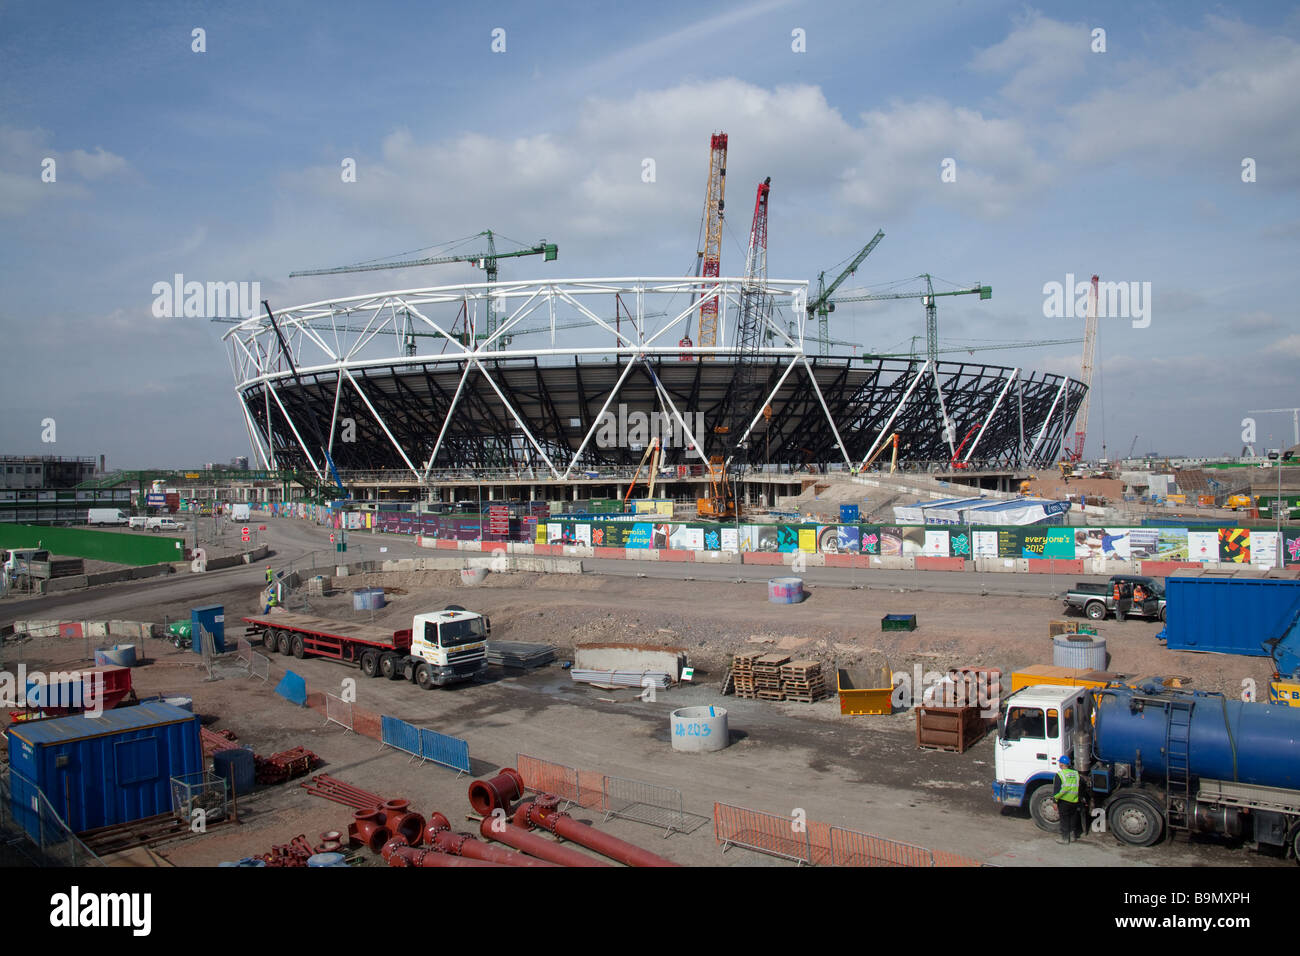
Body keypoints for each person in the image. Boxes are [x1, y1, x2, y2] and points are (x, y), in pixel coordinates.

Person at [1054, 754, 1082, 845]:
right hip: (1074, 800)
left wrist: (1055, 801)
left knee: (1064, 819)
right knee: (1073, 818)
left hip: (1063, 801)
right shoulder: (1076, 774)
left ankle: (1065, 838)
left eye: (1060, 763)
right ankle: (1072, 836)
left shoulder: (1060, 775)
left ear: (1061, 764)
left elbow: (1057, 790)